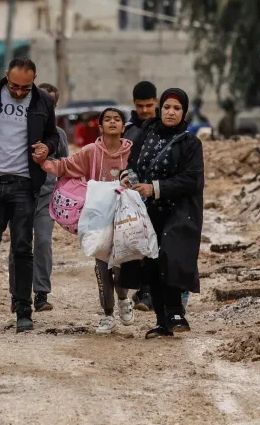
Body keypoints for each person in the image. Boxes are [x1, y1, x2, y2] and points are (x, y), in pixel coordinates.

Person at [0, 57, 61, 333]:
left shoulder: (43, 101)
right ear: (6, 76)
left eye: (24, 88)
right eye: (13, 86)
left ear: (34, 80)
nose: (18, 92)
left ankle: (23, 309)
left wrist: (47, 148)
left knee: (22, 248)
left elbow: (53, 136)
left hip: (24, 184)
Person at [34, 108, 135, 333]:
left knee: (122, 264)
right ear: (100, 126)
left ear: (123, 126)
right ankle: (108, 314)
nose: (112, 122)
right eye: (107, 119)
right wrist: (43, 163)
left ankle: (123, 299)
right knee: (102, 266)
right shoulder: (90, 152)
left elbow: (142, 174)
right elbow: (65, 166)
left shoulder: (133, 152)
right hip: (98, 219)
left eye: (117, 119)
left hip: (125, 219)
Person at [117, 88, 205, 338]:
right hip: (148, 211)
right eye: (167, 107)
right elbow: (132, 164)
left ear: (184, 112)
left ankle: (176, 313)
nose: (171, 112)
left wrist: (154, 188)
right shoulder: (147, 133)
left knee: (170, 256)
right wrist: (127, 177)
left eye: (177, 108)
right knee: (151, 263)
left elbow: (192, 180)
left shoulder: (191, 143)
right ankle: (162, 322)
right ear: (161, 108)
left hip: (178, 211)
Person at [9, 82, 68, 313]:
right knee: (19, 243)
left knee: (43, 241)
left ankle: (41, 293)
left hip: (46, 197)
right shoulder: (18, 128)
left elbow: (65, 166)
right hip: (20, 195)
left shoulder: (59, 135)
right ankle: (17, 294)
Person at [124, 80, 159, 313]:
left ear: (156, 102)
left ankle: (151, 291)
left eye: (149, 105)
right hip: (134, 197)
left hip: (160, 195)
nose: (145, 110)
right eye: (140, 106)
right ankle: (142, 290)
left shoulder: (166, 127)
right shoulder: (128, 131)